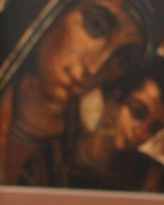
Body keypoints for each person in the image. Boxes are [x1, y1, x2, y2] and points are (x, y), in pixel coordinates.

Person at [0, 0, 164, 185]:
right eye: (96, 26)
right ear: (49, 2)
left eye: (122, 59)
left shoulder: (82, 157)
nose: (95, 69)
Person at [19, 58, 164, 191]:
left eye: (154, 128)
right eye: (138, 112)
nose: (142, 130)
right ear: (114, 98)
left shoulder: (147, 176)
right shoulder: (52, 155)